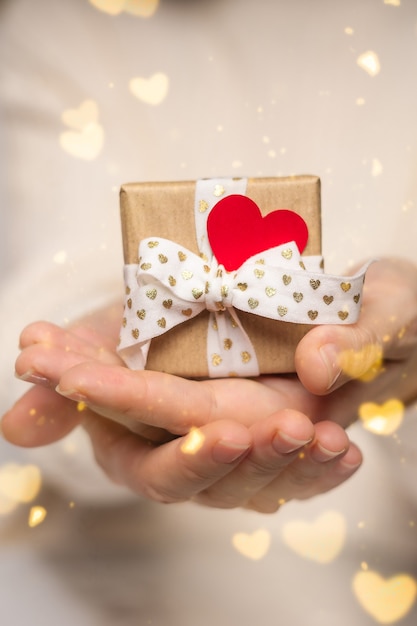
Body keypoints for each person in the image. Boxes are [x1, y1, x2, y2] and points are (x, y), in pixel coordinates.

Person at [1, 0, 417, 624]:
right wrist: (86, 352)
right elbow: (50, 274)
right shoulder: (60, 21)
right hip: (113, 576)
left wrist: (407, 374)